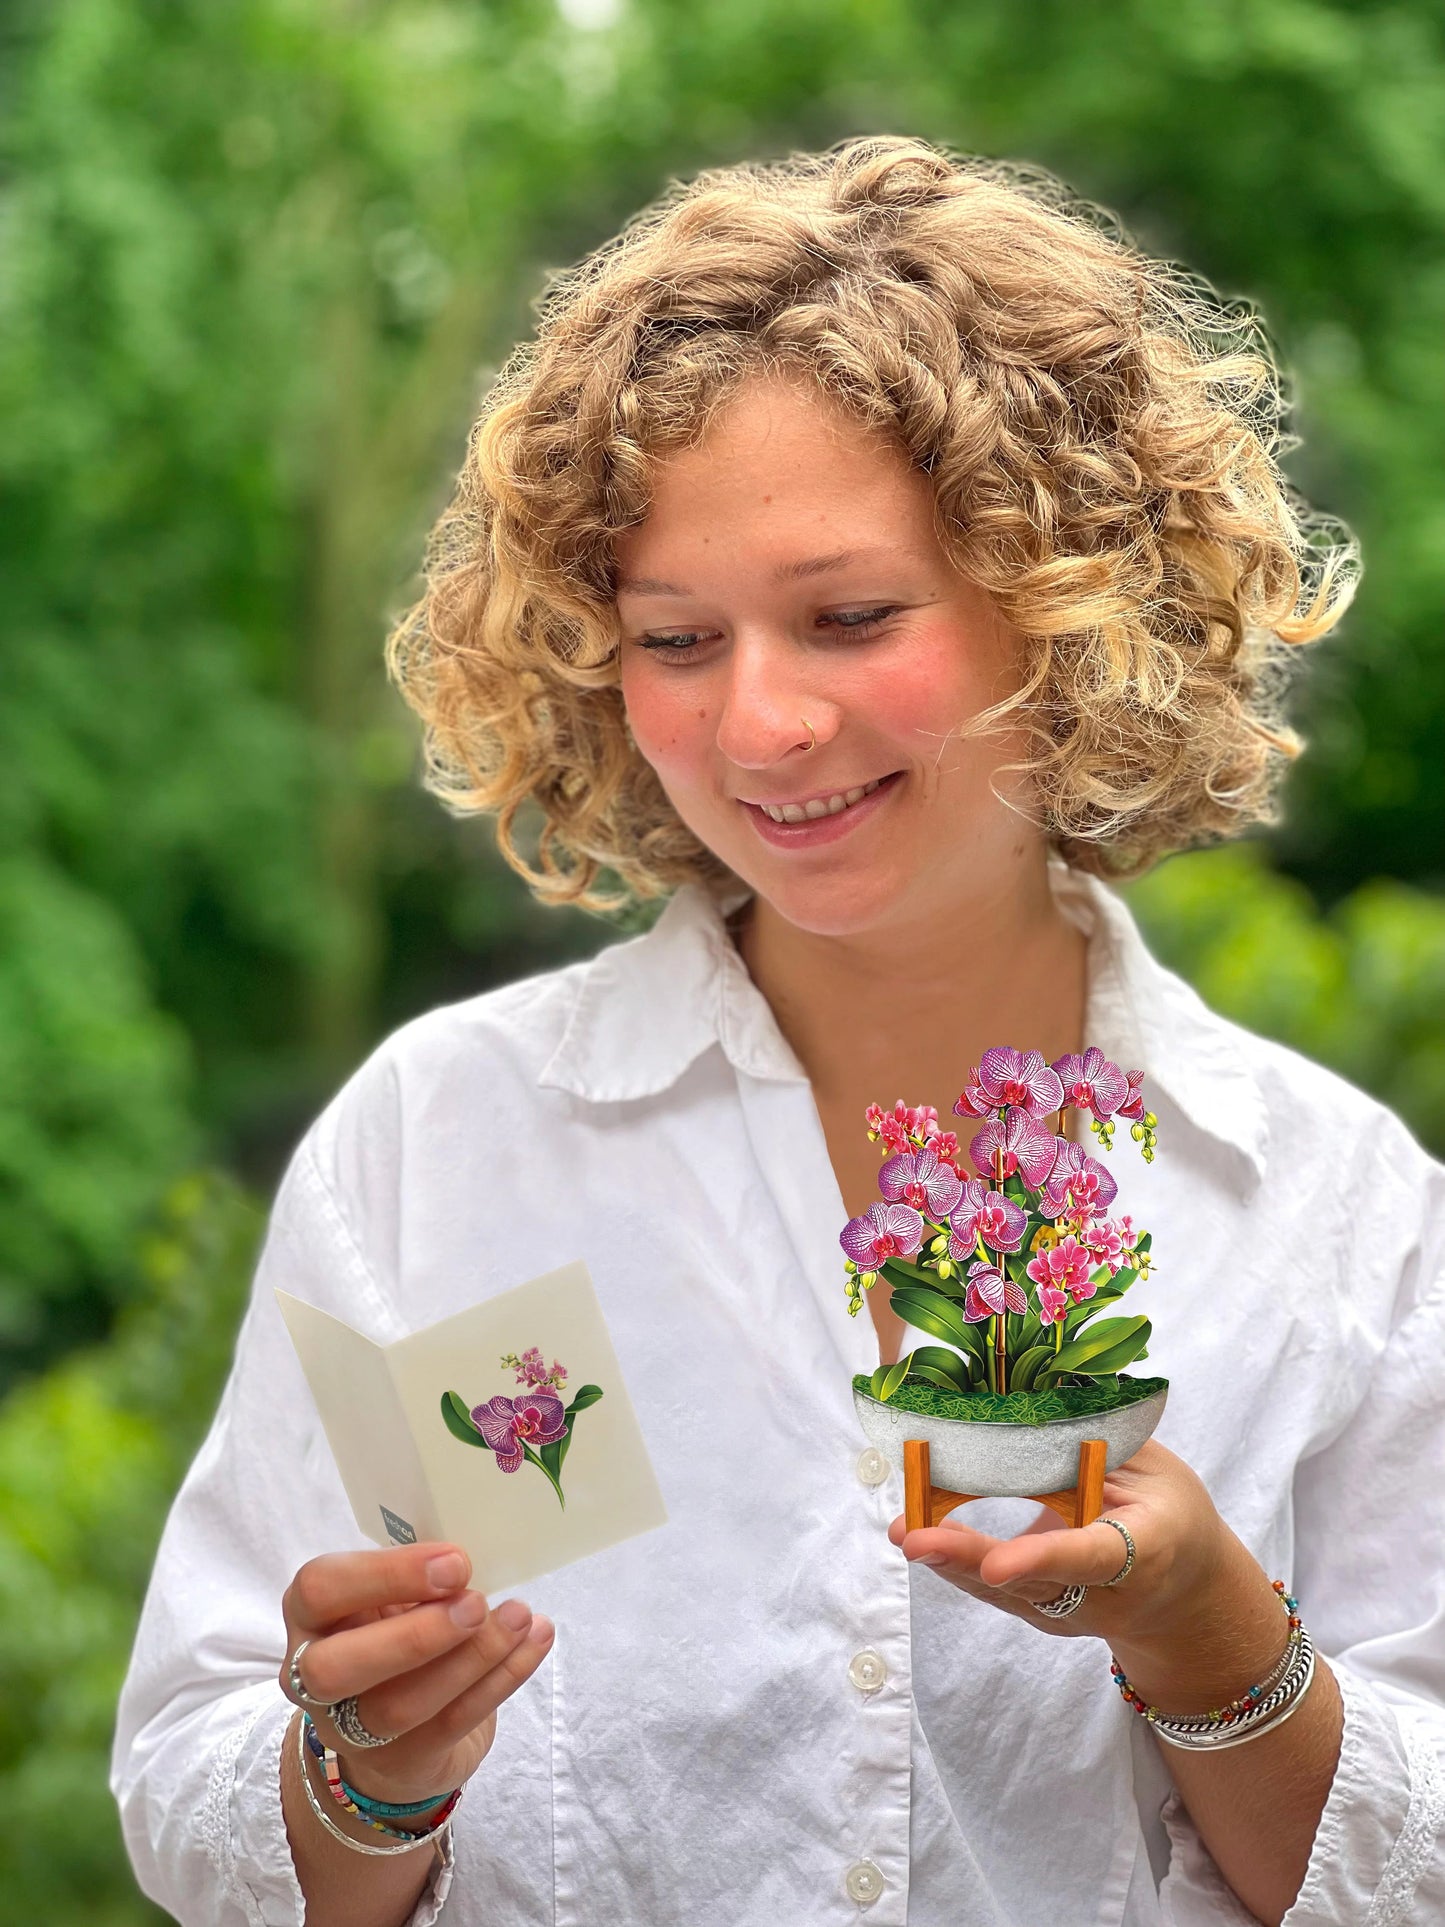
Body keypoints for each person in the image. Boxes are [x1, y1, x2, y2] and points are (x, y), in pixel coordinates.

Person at [112, 136, 1445, 1927]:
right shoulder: (442, 1144)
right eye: (673, 638)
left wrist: (1217, 1650)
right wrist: (362, 1769)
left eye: (849, 617)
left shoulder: (1331, 1209)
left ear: (1064, 601)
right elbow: (195, 1796)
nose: (759, 724)